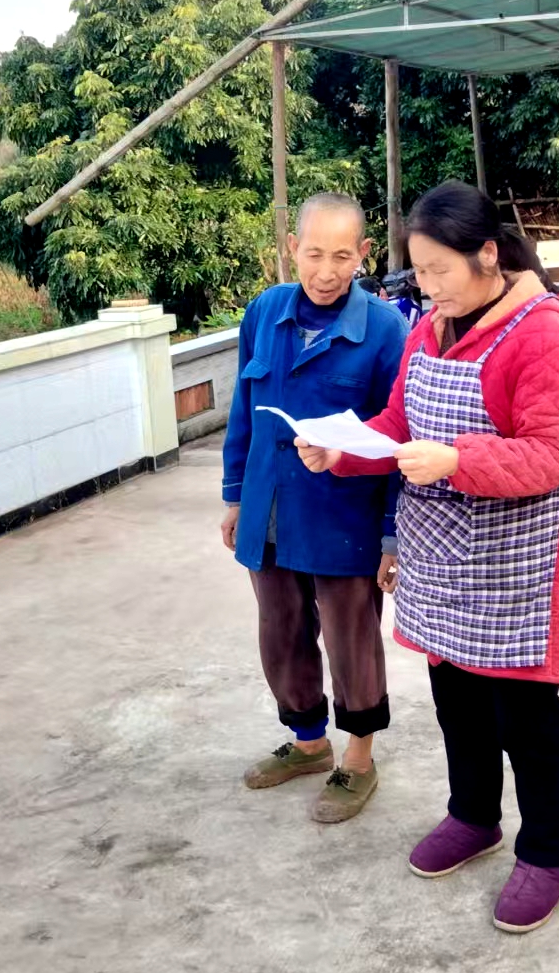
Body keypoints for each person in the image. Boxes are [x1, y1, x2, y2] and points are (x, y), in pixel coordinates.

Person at [296, 180, 559, 932]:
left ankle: (546, 852)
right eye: (419, 272)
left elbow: (554, 453)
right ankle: (473, 817)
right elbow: (399, 421)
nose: (427, 288)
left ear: (487, 255)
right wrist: (343, 449)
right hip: (442, 559)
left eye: (439, 271)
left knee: (526, 721)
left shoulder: (541, 333)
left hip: (515, 566)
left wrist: (457, 460)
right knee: (457, 702)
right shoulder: (430, 327)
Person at [221, 192, 408, 823]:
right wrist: (234, 497)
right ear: (291, 248)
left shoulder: (384, 330)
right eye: (314, 254)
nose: (327, 271)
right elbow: (243, 412)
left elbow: (398, 435)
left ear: (364, 254)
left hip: (343, 519)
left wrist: (391, 536)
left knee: (350, 638)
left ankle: (358, 757)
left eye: (342, 257)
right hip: (268, 506)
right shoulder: (264, 312)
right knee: (281, 631)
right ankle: (307, 742)